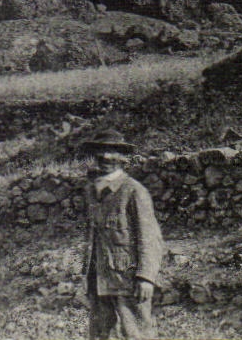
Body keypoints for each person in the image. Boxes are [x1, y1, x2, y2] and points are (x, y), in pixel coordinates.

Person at [80, 129, 165, 340]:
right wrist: (86, 274)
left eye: (113, 151)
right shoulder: (91, 191)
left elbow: (150, 238)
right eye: (101, 151)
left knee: (136, 334)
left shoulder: (134, 191)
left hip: (128, 280)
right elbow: (92, 238)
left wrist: (146, 277)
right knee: (100, 334)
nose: (106, 157)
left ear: (122, 157)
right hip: (99, 279)